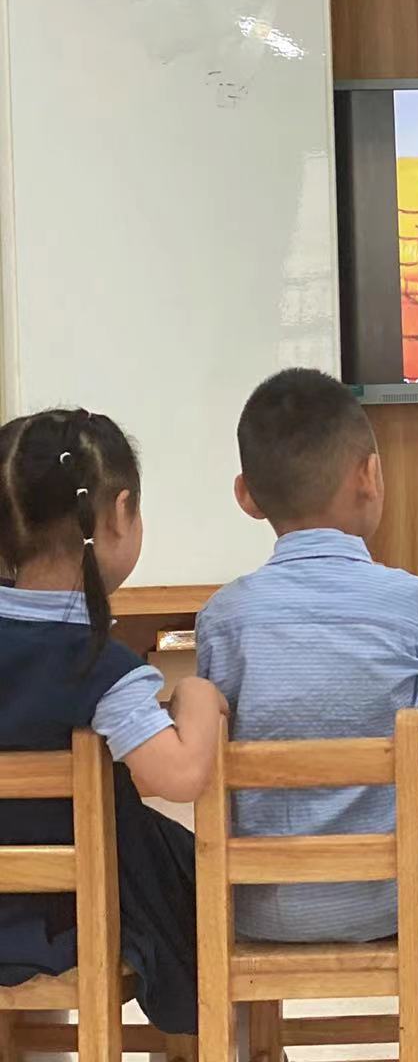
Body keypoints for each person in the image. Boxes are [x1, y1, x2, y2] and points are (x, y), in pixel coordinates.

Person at [196, 369, 418, 946]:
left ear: (246, 495)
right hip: (400, 897)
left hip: (258, 904)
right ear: (369, 475)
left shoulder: (222, 618)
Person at [0, 408, 226, 1036]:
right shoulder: (98, 665)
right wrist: (196, 695)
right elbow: (178, 776)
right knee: (200, 878)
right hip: (70, 918)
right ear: (120, 515)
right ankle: (220, 1042)